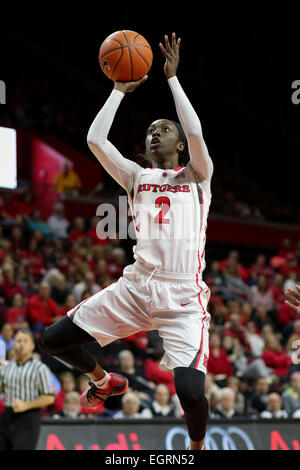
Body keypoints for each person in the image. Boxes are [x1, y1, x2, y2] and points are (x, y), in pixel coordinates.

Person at [39, 33, 213, 451]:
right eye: (151, 131)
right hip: (135, 287)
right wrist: (117, 90)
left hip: (183, 297)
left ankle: (197, 448)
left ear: (179, 144)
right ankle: (104, 381)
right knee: (53, 340)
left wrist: (172, 80)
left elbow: (196, 129)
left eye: (165, 130)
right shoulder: (137, 177)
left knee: (190, 394)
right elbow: (96, 141)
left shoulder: (198, 176)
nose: (156, 135)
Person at [0, 329, 55, 449]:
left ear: (32, 346)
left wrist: (26, 405)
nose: (21, 344)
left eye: (25, 341)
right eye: (18, 341)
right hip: (7, 417)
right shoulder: (5, 367)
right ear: (14, 344)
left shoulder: (40, 368)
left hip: (29, 418)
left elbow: (49, 398)